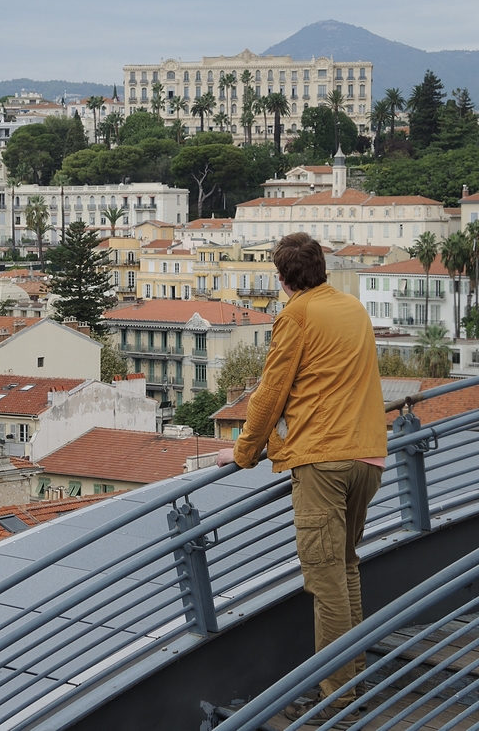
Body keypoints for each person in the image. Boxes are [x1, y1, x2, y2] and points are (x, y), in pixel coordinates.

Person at [217, 232, 387, 727]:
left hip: (324, 462)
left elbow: (271, 393)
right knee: (347, 567)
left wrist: (243, 453)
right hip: (369, 457)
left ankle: (337, 701)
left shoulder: (296, 314)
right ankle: (351, 683)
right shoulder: (351, 308)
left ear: (283, 278)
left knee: (324, 580)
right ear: (321, 269)